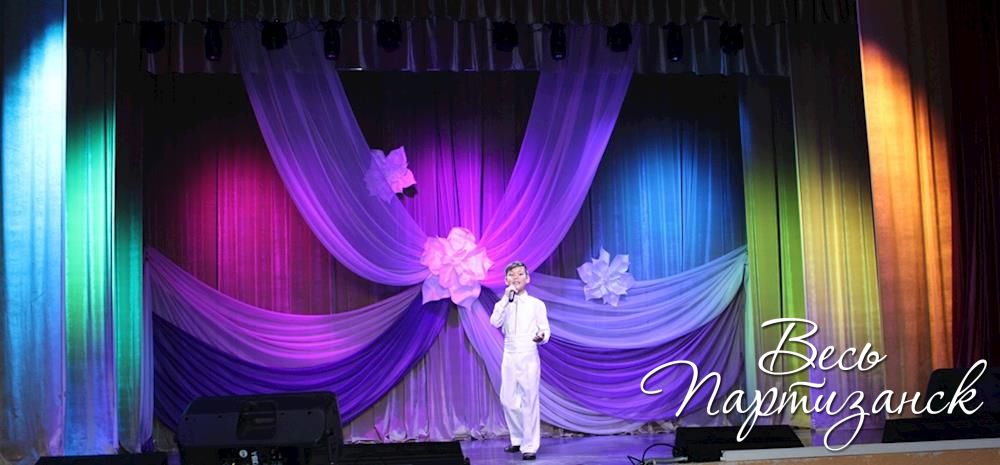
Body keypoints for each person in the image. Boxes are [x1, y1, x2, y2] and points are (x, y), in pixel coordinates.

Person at [490, 261, 551, 461]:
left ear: (527, 278)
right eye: (512, 275)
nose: (516, 278)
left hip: (528, 353)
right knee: (507, 399)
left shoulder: (536, 304)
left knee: (529, 400)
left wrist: (541, 336)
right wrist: (505, 300)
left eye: (520, 274)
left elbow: (545, 329)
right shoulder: (503, 303)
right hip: (509, 353)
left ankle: (530, 446)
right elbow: (494, 322)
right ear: (506, 280)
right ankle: (517, 438)